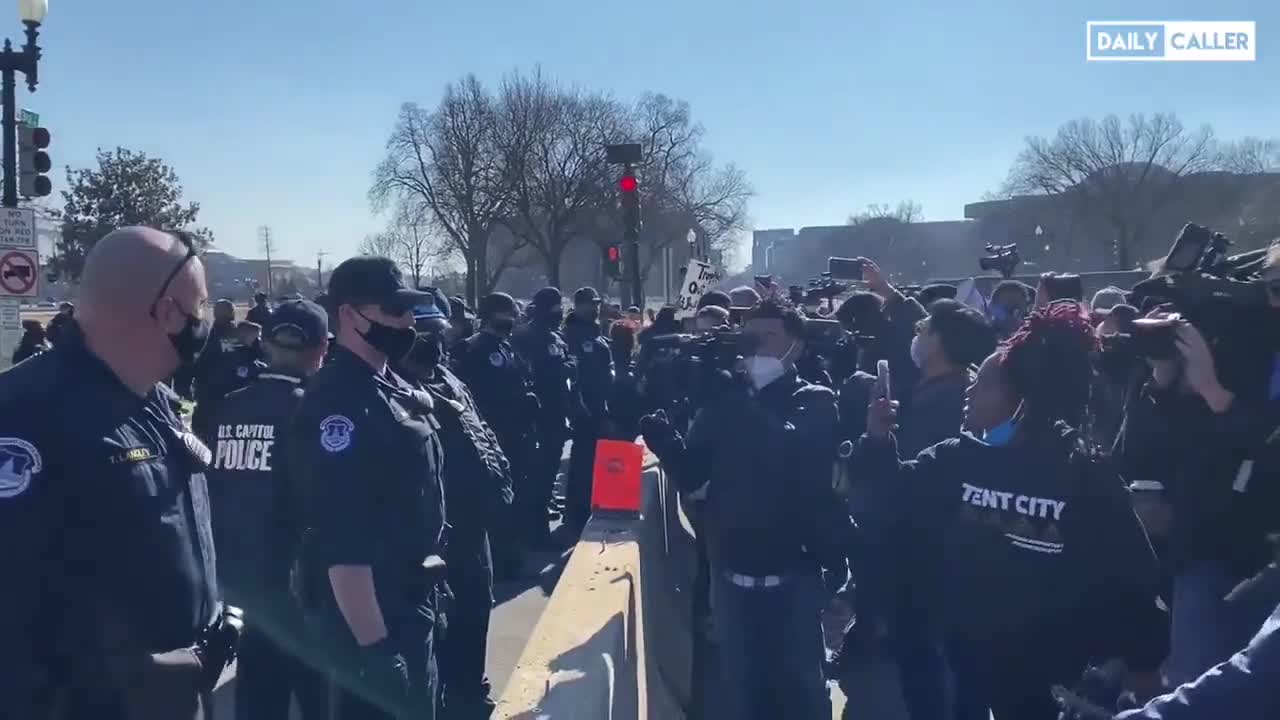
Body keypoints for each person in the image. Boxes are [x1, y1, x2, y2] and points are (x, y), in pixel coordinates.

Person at [861, 300, 1166, 720]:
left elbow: (1134, 577)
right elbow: (890, 493)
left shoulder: (1082, 472)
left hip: (1059, 681)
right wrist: (878, 439)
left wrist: (1142, 667)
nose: (968, 390)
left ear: (1021, 398)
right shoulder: (960, 459)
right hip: (974, 662)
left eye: (982, 383)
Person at [0, 227, 236, 719]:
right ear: (168, 311)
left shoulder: (155, 402)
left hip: (173, 698)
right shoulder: (26, 414)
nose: (207, 319)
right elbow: (18, 611)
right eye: (203, 304)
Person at [641, 298, 851, 720]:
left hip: (796, 572)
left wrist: (735, 399)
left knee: (802, 687)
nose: (757, 349)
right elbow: (693, 475)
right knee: (740, 686)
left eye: (768, 337)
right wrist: (662, 435)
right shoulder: (726, 400)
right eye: (749, 338)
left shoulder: (815, 398)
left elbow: (786, 450)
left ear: (797, 346)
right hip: (730, 572)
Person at [290, 255, 446, 720]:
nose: (406, 322)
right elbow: (345, 547)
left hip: (410, 598)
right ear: (348, 316)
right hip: (375, 621)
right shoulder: (338, 407)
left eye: (408, 311)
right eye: (393, 311)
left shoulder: (388, 385)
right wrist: (377, 650)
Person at [207, 300, 331, 720]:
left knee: (258, 693)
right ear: (320, 350)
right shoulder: (311, 409)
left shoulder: (229, 406)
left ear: (265, 345)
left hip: (240, 577)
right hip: (299, 580)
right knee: (319, 695)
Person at [396, 291, 514, 719]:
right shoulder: (394, 389)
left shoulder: (449, 377)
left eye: (438, 332)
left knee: (476, 604)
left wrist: (499, 473)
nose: (433, 341)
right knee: (439, 623)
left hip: (472, 519)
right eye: (423, 333)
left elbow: (478, 427)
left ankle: (468, 687)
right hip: (431, 531)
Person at [452, 292, 538, 578]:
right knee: (497, 500)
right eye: (508, 314)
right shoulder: (472, 348)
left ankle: (511, 551)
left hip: (516, 432)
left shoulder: (507, 347)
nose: (513, 319)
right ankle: (502, 560)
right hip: (492, 434)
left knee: (516, 493)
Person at [511, 287, 573, 547]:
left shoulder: (556, 337)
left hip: (556, 415)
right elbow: (525, 374)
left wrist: (568, 368)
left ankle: (539, 528)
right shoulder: (525, 337)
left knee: (547, 475)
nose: (558, 312)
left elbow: (566, 363)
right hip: (536, 417)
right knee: (533, 477)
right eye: (554, 307)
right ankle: (531, 531)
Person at [563, 287, 614, 534]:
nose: (594, 308)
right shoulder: (571, 335)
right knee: (583, 463)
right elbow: (573, 376)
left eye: (596, 303)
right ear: (578, 306)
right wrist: (579, 406)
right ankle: (577, 514)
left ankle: (590, 507)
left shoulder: (597, 335)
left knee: (596, 461)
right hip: (585, 409)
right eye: (588, 304)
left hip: (600, 406)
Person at [187, 298, 244, 442]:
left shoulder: (236, 335)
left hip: (227, 398)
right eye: (230, 312)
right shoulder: (207, 337)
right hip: (215, 398)